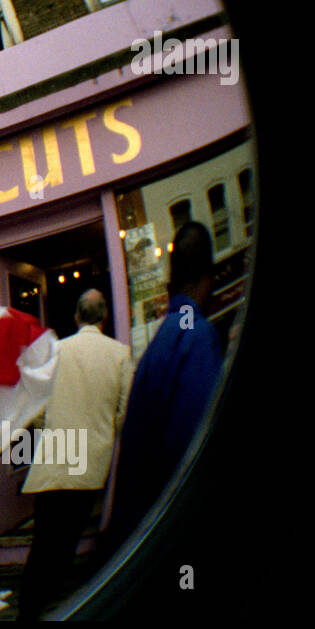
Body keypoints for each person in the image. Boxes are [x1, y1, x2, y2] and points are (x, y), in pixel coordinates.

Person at [17, 289, 132, 621]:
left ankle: (29, 610)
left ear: (77, 317)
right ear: (105, 317)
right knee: (69, 541)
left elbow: (36, 409)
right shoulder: (121, 354)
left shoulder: (57, 351)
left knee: (44, 543)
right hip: (91, 463)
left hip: (55, 458)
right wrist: (101, 435)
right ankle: (60, 603)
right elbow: (123, 412)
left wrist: (49, 430)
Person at [108, 220, 223, 549]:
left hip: (139, 529)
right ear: (208, 279)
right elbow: (195, 452)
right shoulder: (197, 335)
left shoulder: (161, 341)